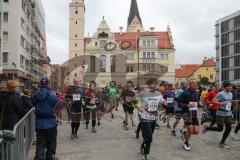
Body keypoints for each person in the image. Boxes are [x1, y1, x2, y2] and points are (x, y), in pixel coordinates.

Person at [136, 78, 166, 160]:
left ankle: (143, 145)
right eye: (152, 83)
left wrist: (164, 103)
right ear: (149, 84)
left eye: (156, 83)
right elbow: (134, 100)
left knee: (148, 137)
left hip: (153, 118)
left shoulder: (159, 93)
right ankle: (146, 153)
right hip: (144, 117)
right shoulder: (143, 93)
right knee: (149, 137)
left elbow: (160, 105)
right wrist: (138, 107)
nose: (154, 85)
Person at [32, 77, 60, 160]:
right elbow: (59, 105)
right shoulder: (52, 95)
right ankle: (49, 157)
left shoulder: (36, 95)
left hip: (39, 123)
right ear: (48, 84)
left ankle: (39, 157)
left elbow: (32, 103)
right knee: (51, 143)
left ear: (40, 84)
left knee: (40, 143)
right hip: (51, 123)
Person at [202, 81, 233, 149]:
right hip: (221, 113)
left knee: (229, 128)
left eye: (231, 86)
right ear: (225, 87)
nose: (231, 87)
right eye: (229, 86)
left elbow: (229, 102)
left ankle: (222, 142)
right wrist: (221, 104)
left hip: (228, 113)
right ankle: (207, 127)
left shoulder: (231, 93)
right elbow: (213, 101)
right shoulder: (220, 94)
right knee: (220, 129)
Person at [178, 79, 200, 151]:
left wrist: (200, 104)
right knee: (190, 130)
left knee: (196, 131)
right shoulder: (185, 93)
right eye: (193, 83)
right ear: (189, 84)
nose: (195, 84)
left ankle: (185, 133)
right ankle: (186, 143)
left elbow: (197, 102)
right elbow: (179, 103)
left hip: (194, 113)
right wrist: (186, 105)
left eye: (196, 83)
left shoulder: (197, 93)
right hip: (186, 113)